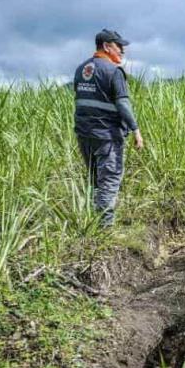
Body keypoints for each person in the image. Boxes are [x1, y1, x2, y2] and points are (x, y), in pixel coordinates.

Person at [73, 29, 144, 227]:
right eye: (119, 46)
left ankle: (91, 223)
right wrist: (136, 130)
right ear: (107, 46)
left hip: (84, 134)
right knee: (110, 178)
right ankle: (104, 228)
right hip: (107, 135)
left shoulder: (81, 69)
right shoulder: (114, 71)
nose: (122, 51)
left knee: (95, 179)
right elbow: (123, 104)